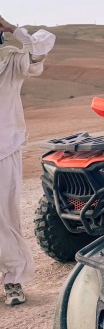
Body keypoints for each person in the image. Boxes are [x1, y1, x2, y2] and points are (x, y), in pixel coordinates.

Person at [0, 15, 55, 306]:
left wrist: (12, 29)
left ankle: (13, 279)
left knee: (6, 216)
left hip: (4, 148)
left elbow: (40, 47)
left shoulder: (11, 60)